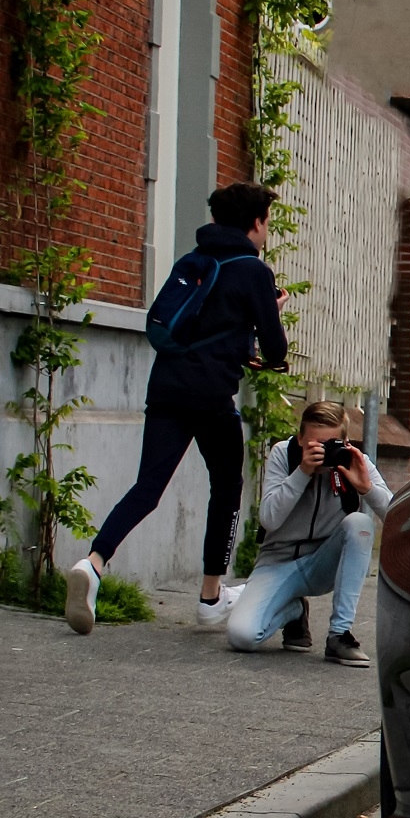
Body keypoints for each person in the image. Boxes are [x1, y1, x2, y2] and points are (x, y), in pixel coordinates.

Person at [65, 182, 287, 636]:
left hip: (166, 386)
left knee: (148, 487)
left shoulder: (193, 261)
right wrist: (273, 311)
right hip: (211, 396)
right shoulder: (253, 270)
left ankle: (94, 562)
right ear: (256, 222)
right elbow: (276, 349)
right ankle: (210, 597)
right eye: (266, 222)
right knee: (226, 485)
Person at [225, 400, 391, 665]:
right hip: (277, 563)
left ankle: (339, 634)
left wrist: (366, 488)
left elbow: (396, 516)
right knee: (242, 637)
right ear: (300, 437)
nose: (322, 452)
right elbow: (269, 517)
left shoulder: (355, 460)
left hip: (322, 563)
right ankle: (293, 611)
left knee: (360, 523)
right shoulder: (284, 454)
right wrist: (302, 472)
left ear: (345, 442)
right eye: (313, 444)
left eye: (330, 445)